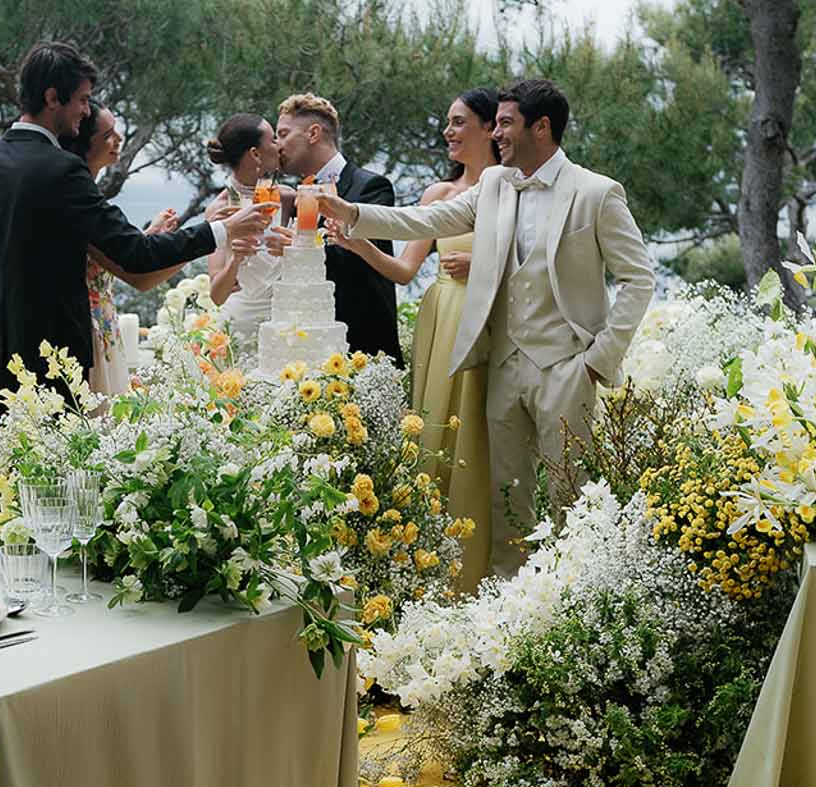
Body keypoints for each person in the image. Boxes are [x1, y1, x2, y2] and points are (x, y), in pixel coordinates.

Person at [311, 78, 654, 577]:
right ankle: (507, 610)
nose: (497, 134)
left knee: (570, 503)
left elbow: (638, 279)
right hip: (504, 364)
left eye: (507, 123)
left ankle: (569, 607)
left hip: (567, 367)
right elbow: (427, 219)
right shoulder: (494, 184)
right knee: (506, 502)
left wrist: (598, 360)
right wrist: (354, 213)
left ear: (542, 127)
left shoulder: (597, 193)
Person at [0, 41, 270, 412]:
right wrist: (222, 231)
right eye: (83, 100)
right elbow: (135, 255)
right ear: (53, 97)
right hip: (61, 365)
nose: (86, 111)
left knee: (15, 467)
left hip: (3, 360)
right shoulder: (62, 170)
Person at [408, 88, 501, 592]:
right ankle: (423, 566)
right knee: (433, 434)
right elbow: (404, 269)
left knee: (477, 437)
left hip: (484, 321)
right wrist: (355, 240)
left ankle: (476, 571)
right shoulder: (436, 197)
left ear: (491, 128)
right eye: (447, 121)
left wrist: (482, 266)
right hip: (439, 317)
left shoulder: (509, 192)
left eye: (459, 121)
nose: (448, 130)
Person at [59, 101, 190, 400]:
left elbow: (107, 257)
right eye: (108, 134)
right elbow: (134, 273)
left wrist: (147, 238)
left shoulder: (90, 198)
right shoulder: (79, 203)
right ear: (84, 143)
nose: (118, 140)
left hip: (106, 326)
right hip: (88, 330)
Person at [273, 93, 404, 363]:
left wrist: (298, 249)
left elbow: (364, 261)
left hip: (363, 348)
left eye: (283, 134)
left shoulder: (371, 187)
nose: (277, 145)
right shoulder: (296, 198)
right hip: (307, 352)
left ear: (313, 133)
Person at [202, 112, 285, 335]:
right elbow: (217, 296)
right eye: (274, 140)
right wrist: (236, 260)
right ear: (255, 154)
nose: (280, 145)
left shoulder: (288, 198)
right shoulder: (220, 209)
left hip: (288, 323)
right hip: (240, 327)